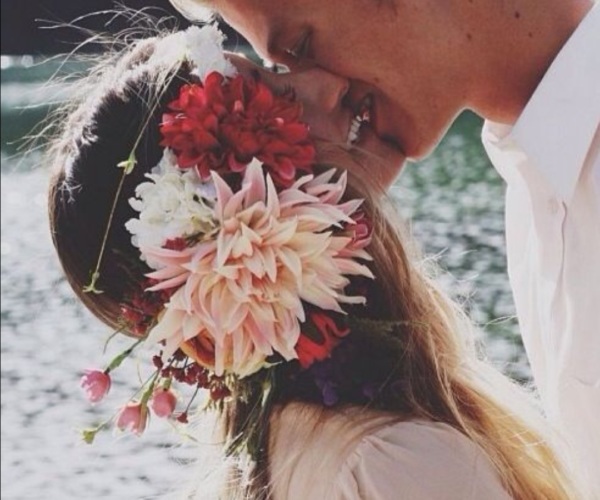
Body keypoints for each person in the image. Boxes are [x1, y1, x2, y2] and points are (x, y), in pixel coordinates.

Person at [47, 25, 579, 499]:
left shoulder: (286, 454)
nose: (328, 82)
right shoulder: (392, 469)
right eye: (271, 102)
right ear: (239, 213)